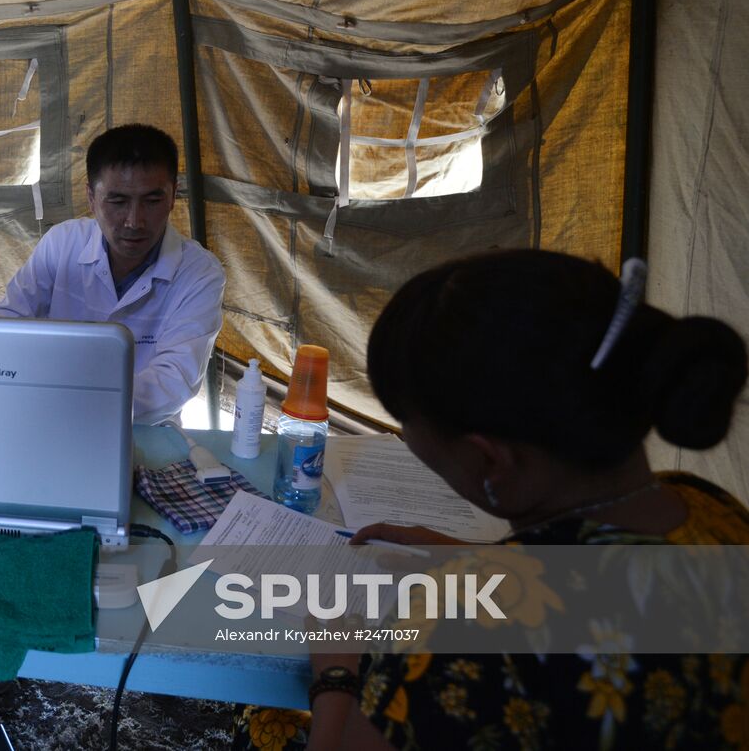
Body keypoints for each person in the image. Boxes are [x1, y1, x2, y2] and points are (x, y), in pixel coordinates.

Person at [236, 249, 749, 750]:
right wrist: (482, 561)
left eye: (426, 454)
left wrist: (336, 673)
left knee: (263, 720)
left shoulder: (456, 632)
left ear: (493, 463)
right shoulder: (709, 507)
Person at [0, 123, 224, 425]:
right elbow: (1, 328)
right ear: (91, 197)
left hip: (142, 431)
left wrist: (76, 402)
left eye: (152, 201)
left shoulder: (199, 273)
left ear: (174, 194)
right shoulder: (63, 244)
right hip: (44, 416)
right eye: (118, 201)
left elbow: (175, 380)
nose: (134, 221)